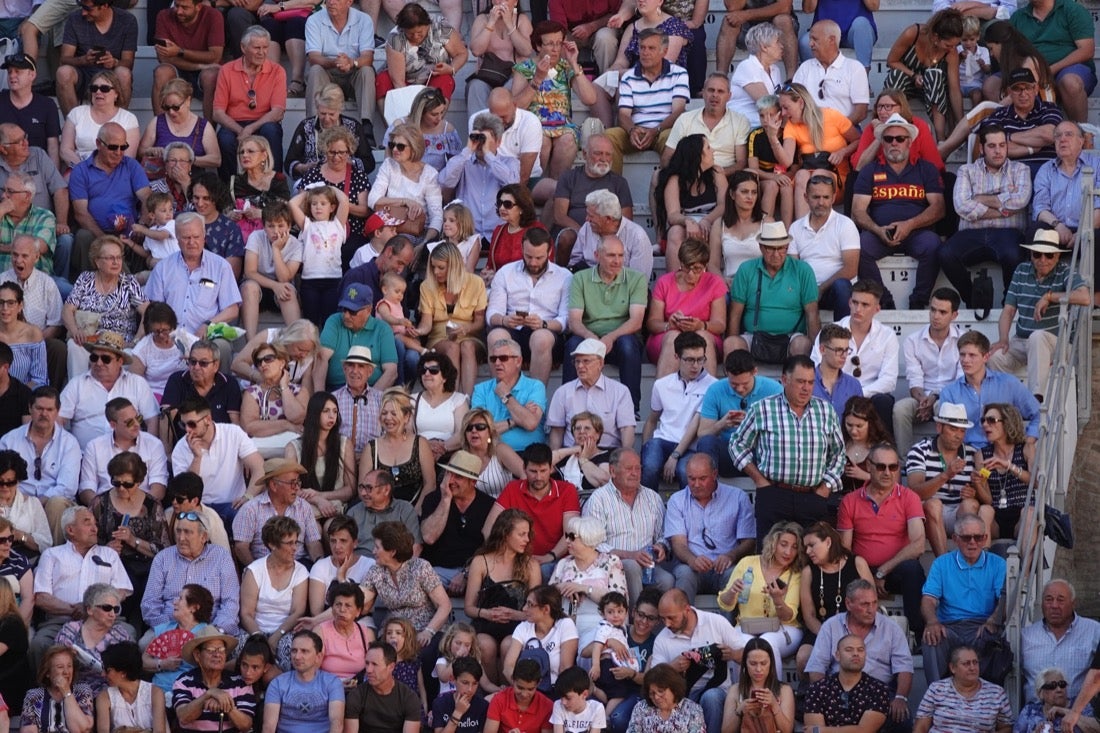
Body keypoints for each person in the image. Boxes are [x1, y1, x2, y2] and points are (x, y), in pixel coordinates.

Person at [729, 355, 846, 547]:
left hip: (813, 496)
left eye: (810, 382)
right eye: (800, 381)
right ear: (784, 380)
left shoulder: (826, 411)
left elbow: (839, 454)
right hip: (773, 493)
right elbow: (736, 444)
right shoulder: (763, 409)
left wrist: (826, 488)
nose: (806, 388)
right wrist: (759, 480)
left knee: (809, 563)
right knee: (768, 558)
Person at [852, 113, 945, 311]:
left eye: (900, 139)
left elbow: (938, 208)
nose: (894, 143)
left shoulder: (926, 169)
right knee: (858, 247)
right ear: (882, 143)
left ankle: (919, 301)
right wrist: (877, 230)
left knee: (934, 245)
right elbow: (857, 211)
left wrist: (909, 225)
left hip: (917, 233)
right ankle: (883, 300)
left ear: (909, 142)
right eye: (888, 139)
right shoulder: (869, 170)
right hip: (880, 233)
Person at [838, 442, 927, 636]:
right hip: (862, 570)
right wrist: (868, 576)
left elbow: (919, 544)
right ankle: (847, 634)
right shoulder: (850, 501)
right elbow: (845, 550)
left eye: (893, 467)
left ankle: (918, 635)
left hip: (895, 570)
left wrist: (882, 571)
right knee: (843, 572)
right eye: (881, 467)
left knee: (913, 569)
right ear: (868, 466)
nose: (887, 472)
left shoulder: (908, 497)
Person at [939, 124, 1030, 307]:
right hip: (971, 234)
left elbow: (1020, 200)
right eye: (992, 146)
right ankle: (973, 299)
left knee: (1014, 254)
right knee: (945, 254)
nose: (998, 151)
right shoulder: (967, 171)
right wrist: (1003, 209)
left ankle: (1009, 304)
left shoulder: (1021, 169)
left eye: (1002, 145)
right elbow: (961, 205)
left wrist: (980, 199)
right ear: (981, 148)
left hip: (1008, 233)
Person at [31, 506, 132, 665]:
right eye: (87, 523)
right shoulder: (51, 555)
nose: (94, 528)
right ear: (70, 530)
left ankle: (118, 689)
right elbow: (42, 598)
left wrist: (96, 609)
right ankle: (45, 689)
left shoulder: (108, 554)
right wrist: (74, 610)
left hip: (106, 620)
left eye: (95, 524)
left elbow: (121, 591)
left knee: (129, 635)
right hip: (60, 621)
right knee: (39, 644)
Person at [920, 513, 1007, 682]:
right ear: (955, 538)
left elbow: (1004, 600)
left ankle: (987, 700)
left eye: (978, 537)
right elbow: (928, 599)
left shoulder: (998, 563)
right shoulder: (942, 563)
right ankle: (936, 696)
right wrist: (932, 622)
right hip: (950, 627)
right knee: (931, 638)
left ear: (985, 538)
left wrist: (993, 620)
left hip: (982, 625)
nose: (973, 542)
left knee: (994, 643)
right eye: (966, 537)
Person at [563, 238, 646, 414]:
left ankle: (632, 409)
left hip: (621, 337)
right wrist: (590, 337)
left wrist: (610, 337)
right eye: (610, 255)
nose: (617, 261)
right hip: (590, 336)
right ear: (597, 255)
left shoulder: (636, 278)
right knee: (573, 346)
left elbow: (636, 321)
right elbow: (574, 321)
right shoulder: (580, 278)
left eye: (620, 255)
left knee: (628, 345)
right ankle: (568, 407)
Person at [649, 589, 746, 733]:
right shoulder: (662, 639)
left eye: (671, 618)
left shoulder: (715, 622)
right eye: (663, 619)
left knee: (711, 697)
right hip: (682, 694)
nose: (667, 624)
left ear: (686, 609)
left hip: (717, 690)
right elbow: (653, 678)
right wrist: (672, 668)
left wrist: (733, 654)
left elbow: (748, 655)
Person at [464, 508, 541, 688]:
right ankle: (491, 691)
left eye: (528, 534)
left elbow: (536, 611)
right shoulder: (481, 561)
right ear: (505, 533)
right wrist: (486, 614)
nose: (527, 540)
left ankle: (509, 692)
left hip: (518, 625)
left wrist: (515, 615)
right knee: (484, 645)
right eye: (522, 534)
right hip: (486, 623)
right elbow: (469, 608)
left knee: (509, 645)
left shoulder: (531, 565)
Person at [511, 22, 597, 182]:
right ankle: (533, 188)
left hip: (563, 125)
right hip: (534, 125)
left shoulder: (566, 66)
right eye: (550, 44)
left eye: (559, 43)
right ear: (538, 46)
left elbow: (590, 98)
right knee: (541, 141)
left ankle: (556, 192)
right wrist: (537, 78)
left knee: (567, 141)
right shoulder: (525, 67)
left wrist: (574, 64)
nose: (556, 49)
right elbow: (516, 106)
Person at [145, 213, 242, 354]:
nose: (191, 242)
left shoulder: (221, 266)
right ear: (177, 240)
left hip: (206, 336)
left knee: (223, 347)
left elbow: (232, 309)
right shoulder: (163, 267)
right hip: (169, 336)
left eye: (196, 237)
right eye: (186, 238)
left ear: (204, 237)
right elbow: (155, 308)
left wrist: (208, 325)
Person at [724, 221, 819, 364]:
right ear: (761, 247)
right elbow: (735, 314)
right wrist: (733, 339)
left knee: (802, 344)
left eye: (781, 248)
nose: (776, 254)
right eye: (770, 248)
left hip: (791, 337)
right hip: (753, 337)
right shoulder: (746, 269)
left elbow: (812, 314)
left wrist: (817, 355)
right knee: (731, 344)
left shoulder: (803, 270)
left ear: (787, 247)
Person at [485, 230, 571, 388]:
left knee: (541, 338)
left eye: (539, 258)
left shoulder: (564, 276)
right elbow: (492, 313)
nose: (533, 263)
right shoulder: (505, 272)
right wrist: (504, 320)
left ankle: (536, 404)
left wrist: (543, 324)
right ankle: (502, 398)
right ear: (522, 250)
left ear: (549, 251)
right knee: (495, 336)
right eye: (528, 256)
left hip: (547, 333)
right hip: (512, 330)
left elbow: (565, 319)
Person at [938, 68, 1062, 177]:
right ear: (1009, 92)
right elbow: (994, 150)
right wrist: (1032, 148)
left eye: (1027, 88)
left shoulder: (1049, 109)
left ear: (1035, 89)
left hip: (1046, 171)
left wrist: (1008, 137)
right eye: (1017, 89)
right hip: (1009, 174)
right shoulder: (998, 115)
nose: (1023, 94)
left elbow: (1049, 134)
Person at [718, 519, 804, 672]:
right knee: (739, 646)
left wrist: (777, 599)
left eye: (794, 547)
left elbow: (789, 616)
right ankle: (741, 693)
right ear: (772, 542)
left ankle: (774, 692)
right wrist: (732, 592)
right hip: (746, 626)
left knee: (767, 642)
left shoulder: (795, 573)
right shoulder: (747, 563)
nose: (788, 552)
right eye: (783, 544)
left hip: (785, 629)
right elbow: (725, 603)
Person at [667, 453, 756, 601]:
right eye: (691, 478)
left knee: (736, 576)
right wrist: (692, 560)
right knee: (684, 573)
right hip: (691, 566)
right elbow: (678, 544)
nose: (696, 484)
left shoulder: (738, 497)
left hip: (725, 567)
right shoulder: (677, 501)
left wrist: (731, 556)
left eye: (702, 478)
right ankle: (682, 623)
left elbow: (749, 541)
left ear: (714, 474)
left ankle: (729, 625)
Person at [906, 403, 991, 557]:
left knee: (971, 504)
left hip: (958, 514)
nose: (958, 435)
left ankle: (966, 562)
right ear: (939, 428)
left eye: (962, 430)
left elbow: (985, 497)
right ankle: (945, 564)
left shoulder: (973, 454)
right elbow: (914, 492)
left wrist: (974, 492)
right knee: (933, 504)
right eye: (953, 429)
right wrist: (946, 475)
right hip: (928, 515)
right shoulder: (919, 450)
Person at [68, 123, 150, 278]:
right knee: (83, 236)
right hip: (96, 232)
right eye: (113, 147)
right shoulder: (81, 171)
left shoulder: (131, 165)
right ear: (99, 144)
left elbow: (147, 197)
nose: (119, 153)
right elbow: (80, 214)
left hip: (129, 230)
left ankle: (129, 286)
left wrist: (143, 224)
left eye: (123, 147)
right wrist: (105, 240)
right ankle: (118, 285)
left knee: (150, 233)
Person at [603, 30, 688, 175]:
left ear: (664, 51)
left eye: (651, 48)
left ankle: (667, 191)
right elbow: (623, 114)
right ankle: (612, 192)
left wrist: (656, 130)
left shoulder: (679, 73)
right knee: (608, 137)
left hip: (663, 130)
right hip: (636, 129)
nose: (645, 52)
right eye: (642, 48)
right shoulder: (628, 77)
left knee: (672, 139)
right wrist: (632, 130)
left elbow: (679, 111)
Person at [938, 330, 1042, 450]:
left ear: (986, 357)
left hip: (1004, 453)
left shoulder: (1008, 383)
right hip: (967, 454)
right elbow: (946, 433)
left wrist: (1029, 443)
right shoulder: (950, 392)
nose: (965, 360)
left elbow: (1039, 414)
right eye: (962, 354)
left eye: (972, 355)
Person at [170, 397, 265, 526]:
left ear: (207, 419)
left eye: (192, 424)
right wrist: (197, 458)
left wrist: (248, 496)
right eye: (183, 424)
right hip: (199, 508)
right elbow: (185, 492)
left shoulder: (233, 433)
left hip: (233, 505)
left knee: (247, 515)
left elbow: (259, 468)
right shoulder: (181, 448)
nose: (187, 430)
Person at [0, 386, 80, 539]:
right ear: (30, 408)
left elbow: (67, 488)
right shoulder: (9, 440)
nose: (44, 414)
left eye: (50, 409)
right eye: (39, 408)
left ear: (58, 411)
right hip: (18, 500)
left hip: (53, 504)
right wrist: (24, 502)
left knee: (56, 504)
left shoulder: (69, 443)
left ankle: (53, 558)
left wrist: (36, 503)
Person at [143, 507, 239, 634]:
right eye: (179, 531)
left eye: (188, 532)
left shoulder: (221, 557)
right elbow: (149, 604)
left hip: (211, 628)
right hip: (169, 629)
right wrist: (172, 630)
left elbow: (230, 603)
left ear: (203, 537)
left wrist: (215, 631)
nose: (181, 538)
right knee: (143, 645)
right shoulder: (162, 558)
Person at [639, 332, 717, 488]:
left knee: (684, 472)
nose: (696, 365)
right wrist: (645, 448)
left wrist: (675, 456)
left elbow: (696, 426)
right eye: (689, 360)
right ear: (677, 357)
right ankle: (648, 509)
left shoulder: (713, 386)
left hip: (691, 445)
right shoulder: (662, 384)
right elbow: (652, 420)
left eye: (700, 359)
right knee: (650, 465)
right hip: (663, 440)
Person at [773, 83, 859, 222]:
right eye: (781, 108)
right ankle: (802, 231)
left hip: (836, 178)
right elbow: (787, 161)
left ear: (801, 102)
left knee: (818, 176)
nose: (783, 113)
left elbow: (858, 140)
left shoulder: (831, 115)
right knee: (801, 174)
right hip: (806, 180)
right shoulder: (791, 125)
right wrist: (772, 137)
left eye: (786, 107)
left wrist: (842, 152)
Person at [893, 288, 963, 457]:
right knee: (900, 409)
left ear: (954, 315)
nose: (936, 316)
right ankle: (906, 463)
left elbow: (961, 382)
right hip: (922, 399)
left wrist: (936, 397)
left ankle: (942, 459)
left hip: (950, 399)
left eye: (942, 312)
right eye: (932, 310)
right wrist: (923, 399)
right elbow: (914, 379)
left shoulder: (963, 340)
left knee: (942, 407)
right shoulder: (913, 341)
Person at [487, 444, 578, 572]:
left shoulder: (567, 490)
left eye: (543, 471)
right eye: (533, 471)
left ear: (551, 468)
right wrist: (507, 556)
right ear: (524, 468)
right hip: (517, 560)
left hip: (556, 561)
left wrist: (549, 556)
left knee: (544, 572)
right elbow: (488, 529)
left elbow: (571, 533)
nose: (538, 477)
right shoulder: (513, 488)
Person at [212, 26, 287, 179]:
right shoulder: (227, 70)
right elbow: (218, 113)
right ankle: (231, 189)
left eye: (265, 47)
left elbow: (277, 111)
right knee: (225, 139)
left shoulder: (277, 71)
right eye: (257, 48)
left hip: (263, 122)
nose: (262, 52)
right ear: (243, 47)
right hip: (234, 123)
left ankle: (274, 186)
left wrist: (250, 129)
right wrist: (241, 131)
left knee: (271, 131)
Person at [646, 239, 727, 379]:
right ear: (680, 263)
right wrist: (669, 325)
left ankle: (707, 398)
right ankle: (664, 398)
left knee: (702, 338)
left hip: (705, 332)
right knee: (674, 338)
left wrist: (701, 325)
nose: (690, 274)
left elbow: (720, 325)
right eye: (686, 268)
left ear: (705, 266)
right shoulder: (664, 282)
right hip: (668, 335)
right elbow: (652, 323)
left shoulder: (714, 283)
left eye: (696, 269)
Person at [696, 349, 782, 475]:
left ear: (755, 372)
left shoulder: (774, 389)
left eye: (745, 383)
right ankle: (709, 488)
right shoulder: (715, 390)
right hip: (729, 453)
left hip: (761, 453)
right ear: (727, 374)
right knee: (706, 442)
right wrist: (722, 424)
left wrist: (753, 422)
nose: (740, 389)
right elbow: (702, 434)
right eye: (734, 384)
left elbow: (784, 429)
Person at [551, 135, 633, 267]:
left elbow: (626, 220)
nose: (604, 159)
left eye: (608, 155)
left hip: (606, 233)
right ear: (584, 154)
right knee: (567, 237)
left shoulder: (619, 183)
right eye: (598, 153)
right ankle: (562, 277)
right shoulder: (569, 177)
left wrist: (600, 235)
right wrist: (585, 234)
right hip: (574, 231)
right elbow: (559, 216)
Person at [361, 521, 450, 641]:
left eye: (377, 547)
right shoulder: (376, 571)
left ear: (392, 551)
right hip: (394, 632)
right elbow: (358, 600)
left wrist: (428, 632)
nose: (373, 552)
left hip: (425, 630)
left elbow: (444, 605)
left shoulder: (420, 567)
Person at [881, 10, 964, 139]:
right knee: (896, 76)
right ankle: (893, 129)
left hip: (932, 90)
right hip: (905, 82)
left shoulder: (951, 53)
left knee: (934, 76)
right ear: (936, 37)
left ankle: (941, 139)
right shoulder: (913, 34)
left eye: (955, 45)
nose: (952, 48)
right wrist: (913, 75)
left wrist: (961, 123)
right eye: (948, 44)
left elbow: (954, 89)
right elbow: (891, 61)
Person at [1009, 0, 1096, 123]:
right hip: (1030, 70)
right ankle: (1004, 132)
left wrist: (1050, 70)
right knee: (992, 84)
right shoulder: (1018, 17)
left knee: (1070, 83)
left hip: (1069, 68)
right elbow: (1010, 52)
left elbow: (1087, 50)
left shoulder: (1072, 10)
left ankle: (1079, 132)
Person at [788, 174, 859, 319]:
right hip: (805, 290)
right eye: (816, 197)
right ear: (806, 197)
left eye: (826, 197)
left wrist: (820, 289)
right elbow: (793, 268)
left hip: (834, 291)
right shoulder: (795, 227)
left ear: (833, 198)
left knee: (842, 286)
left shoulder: (846, 225)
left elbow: (851, 269)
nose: (821, 202)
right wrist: (809, 290)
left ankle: (842, 337)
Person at [547, 338, 636, 451]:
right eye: (577, 361)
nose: (580, 366)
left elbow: (626, 429)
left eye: (586, 361)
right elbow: (557, 431)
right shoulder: (563, 392)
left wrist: (624, 457)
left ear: (600, 363)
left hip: (607, 453)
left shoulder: (620, 391)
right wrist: (555, 460)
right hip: (573, 452)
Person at [303, 0, 375, 136]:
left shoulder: (364, 20)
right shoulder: (314, 20)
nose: (331, 2)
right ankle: (313, 127)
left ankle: (367, 128)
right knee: (315, 70)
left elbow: (368, 57)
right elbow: (313, 57)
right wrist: (335, 62)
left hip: (353, 72)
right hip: (328, 71)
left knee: (367, 71)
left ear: (349, 2)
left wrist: (351, 63)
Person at [54, 0, 137, 117]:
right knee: (63, 72)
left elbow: (128, 63)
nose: (83, 12)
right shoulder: (74, 19)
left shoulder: (127, 20)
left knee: (124, 73)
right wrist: (82, 60)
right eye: (81, 7)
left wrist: (114, 62)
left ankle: (118, 125)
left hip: (112, 75)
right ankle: (74, 125)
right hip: (83, 74)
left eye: (88, 8)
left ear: (104, 5)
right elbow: (64, 59)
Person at [1021, 580, 1100, 702]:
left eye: (1060, 600)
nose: (1054, 605)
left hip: (1078, 714)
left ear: (1073, 604)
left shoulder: (1094, 630)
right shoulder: (1026, 635)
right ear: (1042, 604)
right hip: (1036, 714)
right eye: (1048, 599)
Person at [233, 460, 323, 565]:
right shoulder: (250, 509)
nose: (297, 487)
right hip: (266, 567)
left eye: (298, 482)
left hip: (299, 565)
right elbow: (241, 547)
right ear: (273, 485)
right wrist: (257, 573)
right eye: (292, 483)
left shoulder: (304, 507)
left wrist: (320, 568)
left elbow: (313, 543)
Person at [53, 583, 134, 696]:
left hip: (109, 695)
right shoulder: (70, 630)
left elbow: (128, 672)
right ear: (90, 609)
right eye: (107, 608)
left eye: (115, 609)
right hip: (71, 692)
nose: (112, 614)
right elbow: (55, 663)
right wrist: (69, 657)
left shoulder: (120, 636)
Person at [662, 73, 748, 180]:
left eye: (720, 91)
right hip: (690, 177)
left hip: (725, 176)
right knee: (657, 176)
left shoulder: (740, 121)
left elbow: (741, 162)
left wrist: (719, 174)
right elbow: (667, 157)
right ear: (703, 93)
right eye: (711, 90)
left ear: (729, 96)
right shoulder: (685, 119)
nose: (715, 95)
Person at [376, 3, 467, 102]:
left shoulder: (441, 28)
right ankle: (393, 117)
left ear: (427, 25)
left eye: (420, 32)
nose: (415, 36)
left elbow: (461, 53)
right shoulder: (396, 37)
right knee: (383, 80)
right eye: (410, 33)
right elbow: (398, 82)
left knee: (445, 80)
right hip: (405, 82)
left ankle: (435, 116)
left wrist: (451, 68)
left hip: (433, 79)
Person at [285, 392, 356, 518]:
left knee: (332, 529)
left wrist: (321, 496)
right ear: (314, 414)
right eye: (326, 411)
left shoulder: (344, 444)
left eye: (335, 411)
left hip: (335, 506)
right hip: (305, 506)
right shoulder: (294, 447)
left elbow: (350, 489)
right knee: (313, 529)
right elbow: (290, 486)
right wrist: (317, 500)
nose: (331, 416)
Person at [172, 627, 256, 733]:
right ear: (197, 655)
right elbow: (183, 717)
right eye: (211, 650)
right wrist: (209, 694)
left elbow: (246, 725)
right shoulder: (184, 681)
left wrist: (225, 703)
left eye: (221, 650)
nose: (217, 654)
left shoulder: (240, 683)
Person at [149, 0, 223, 119]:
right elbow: (163, 57)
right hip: (181, 70)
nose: (179, 11)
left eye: (184, 7)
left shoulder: (213, 15)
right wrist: (199, 66)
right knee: (161, 72)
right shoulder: (164, 15)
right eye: (177, 6)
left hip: (204, 73)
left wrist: (179, 52)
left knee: (211, 76)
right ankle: (160, 130)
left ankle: (209, 132)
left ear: (198, 6)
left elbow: (215, 56)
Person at [360, 388, 435, 507]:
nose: (388, 418)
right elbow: (363, 490)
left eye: (394, 413)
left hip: (414, 509)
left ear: (406, 417)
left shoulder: (420, 444)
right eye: (384, 413)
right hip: (380, 512)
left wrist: (415, 512)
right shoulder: (371, 448)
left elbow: (430, 484)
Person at [287, 84, 374, 185]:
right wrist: (303, 168)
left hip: (345, 181)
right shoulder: (305, 126)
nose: (327, 119)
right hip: (312, 181)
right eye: (323, 113)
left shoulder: (353, 127)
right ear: (317, 108)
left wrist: (349, 162)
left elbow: (369, 163)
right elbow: (289, 162)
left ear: (340, 110)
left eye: (331, 114)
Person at [973, 403, 1036, 541]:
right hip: (997, 517)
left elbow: (1035, 482)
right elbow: (988, 499)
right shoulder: (982, 455)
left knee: (1030, 512)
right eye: (983, 420)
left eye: (991, 420)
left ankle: (1026, 563)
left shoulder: (1026, 449)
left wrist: (1009, 466)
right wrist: (977, 484)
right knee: (984, 510)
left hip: (1021, 514)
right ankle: (984, 562)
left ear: (1007, 423)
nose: (985, 425)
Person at [804, 634, 891, 733]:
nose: (855, 654)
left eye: (860, 650)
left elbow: (865, 730)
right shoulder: (818, 689)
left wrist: (822, 730)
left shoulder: (878, 689)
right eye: (849, 650)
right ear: (837, 655)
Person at [915, 645, 1012, 733]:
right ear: (952, 668)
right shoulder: (937, 689)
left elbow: (1006, 728)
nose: (972, 667)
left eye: (975, 662)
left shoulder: (996, 693)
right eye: (966, 664)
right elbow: (921, 727)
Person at [318, 286, 398, 393]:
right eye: (344, 309)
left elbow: (391, 371)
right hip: (335, 389)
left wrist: (370, 399)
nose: (346, 315)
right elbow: (321, 359)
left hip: (370, 389)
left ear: (368, 310)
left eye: (352, 311)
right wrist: (321, 398)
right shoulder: (334, 321)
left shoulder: (382, 329)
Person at [264, 630, 345, 733]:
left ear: (318, 657)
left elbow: (336, 723)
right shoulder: (277, 684)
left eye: (304, 651)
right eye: (294, 651)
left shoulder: (332, 683)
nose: (297, 657)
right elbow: (268, 727)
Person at [142, 583, 214, 696]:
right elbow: (144, 661)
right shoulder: (164, 628)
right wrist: (162, 664)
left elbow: (212, 668)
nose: (174, 602)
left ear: (194, 607)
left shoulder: (206, 633)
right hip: (157, 691)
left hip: (189, 692)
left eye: (180, 599)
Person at [501, 584, 579, 687]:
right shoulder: (523, 627)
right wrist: (524, 689)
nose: (524, 609)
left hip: (554, 689)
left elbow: (565, 669)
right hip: (524, 691)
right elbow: (508, 667)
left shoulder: (565, 625)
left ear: (546, 609)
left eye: (530, 604)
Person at [793, 20, 869, 124]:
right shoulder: (805, 67)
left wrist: (836, 130)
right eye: (810, 39)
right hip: (810, 130)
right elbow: (794, 104)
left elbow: (861, 112)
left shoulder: (854, 68)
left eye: (815, 39)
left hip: (845, 130)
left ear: (831, 40)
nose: (810, 44)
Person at [566, 189, 653, 280]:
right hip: (589, 285)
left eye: (591, 216)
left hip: (624, 288)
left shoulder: (637, 237)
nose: (587, 219)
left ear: (608, 218)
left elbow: (639, 279)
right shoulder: (587, 227)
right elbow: (575, 262)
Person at [852, 90, 945, 175]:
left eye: (888, 107)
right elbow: (858, 166)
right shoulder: (872, 128)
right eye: (879, 107)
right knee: (852, 178)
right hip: (879, 179)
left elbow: (935, 164)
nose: (882, 111)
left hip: (914, 178)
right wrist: (880, 133)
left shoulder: (919, 126)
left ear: (901, 108)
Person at [138, 79, 220, 172]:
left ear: (188, 101)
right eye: (166, 107)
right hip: (161, 179)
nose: (171, 112)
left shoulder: (203, 126)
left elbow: (216, 160)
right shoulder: (157, 122)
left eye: (175, 107)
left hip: (191, 181)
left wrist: (189, 160)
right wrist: (151, 151)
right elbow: (140, 151)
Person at [721, 636, 796, 733]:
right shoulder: (735, 690)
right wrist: (740, 710)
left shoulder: (784, 690)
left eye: (764, 663)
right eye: (753, 663)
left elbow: (787, 730)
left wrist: (774, 705)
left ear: (771, 663)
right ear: (745, 664)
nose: (758, 669)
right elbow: (726, 731)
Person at [343, 641, 420, 733]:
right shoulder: (357, 696)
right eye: (367, 663)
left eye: (375, 664)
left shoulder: (408, 697)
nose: (368, 670)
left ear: (391, 667)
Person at [0, 54, 62, 169]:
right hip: (3, 168)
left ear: (32, 75)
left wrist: (54, 179)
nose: (12, 76)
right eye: (9, 72)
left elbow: (53, 147)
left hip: (37, 169)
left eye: (18, 72)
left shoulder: (47, 105)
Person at [482, 185, 544, 293]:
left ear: (521, 208)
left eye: (507, 204)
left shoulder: (536, 230)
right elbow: (490, 266)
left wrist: (499, 278)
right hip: (500, 291)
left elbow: (541, 269)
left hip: (529, 291)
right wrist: (487, 274)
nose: (502, 208)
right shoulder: (498, 231)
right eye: (500, 203)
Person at [20, 647, 95, 733]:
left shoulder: (82, 691)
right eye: (60, 667)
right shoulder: (33, 696)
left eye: (69, 666)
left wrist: (66, 692)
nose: (66, 672)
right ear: (48, 672)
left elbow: (82, 729)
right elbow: (28, 731)